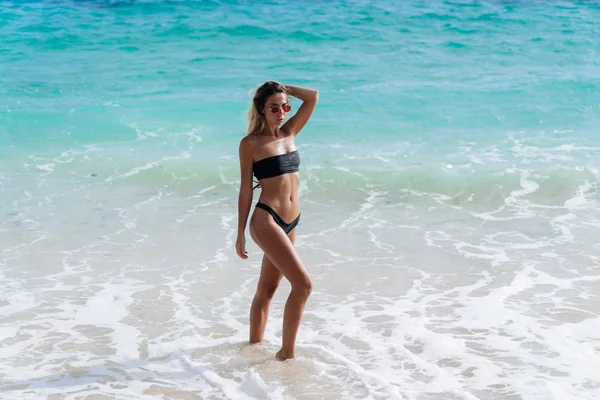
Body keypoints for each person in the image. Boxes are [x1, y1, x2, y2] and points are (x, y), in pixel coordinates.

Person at [235, 81, 319, 361]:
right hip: (266, 219)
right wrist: (240, 233)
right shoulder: (250, 144)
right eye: (274, 107)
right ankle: (287, 354)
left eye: (284, 107)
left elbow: (313, 97)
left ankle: (253, 347)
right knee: (304, 286)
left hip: (291, 222)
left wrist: (284, 88)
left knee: (268, 288)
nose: (281, 112)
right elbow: (246, 189)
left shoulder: (290, 133)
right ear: (261, 110)